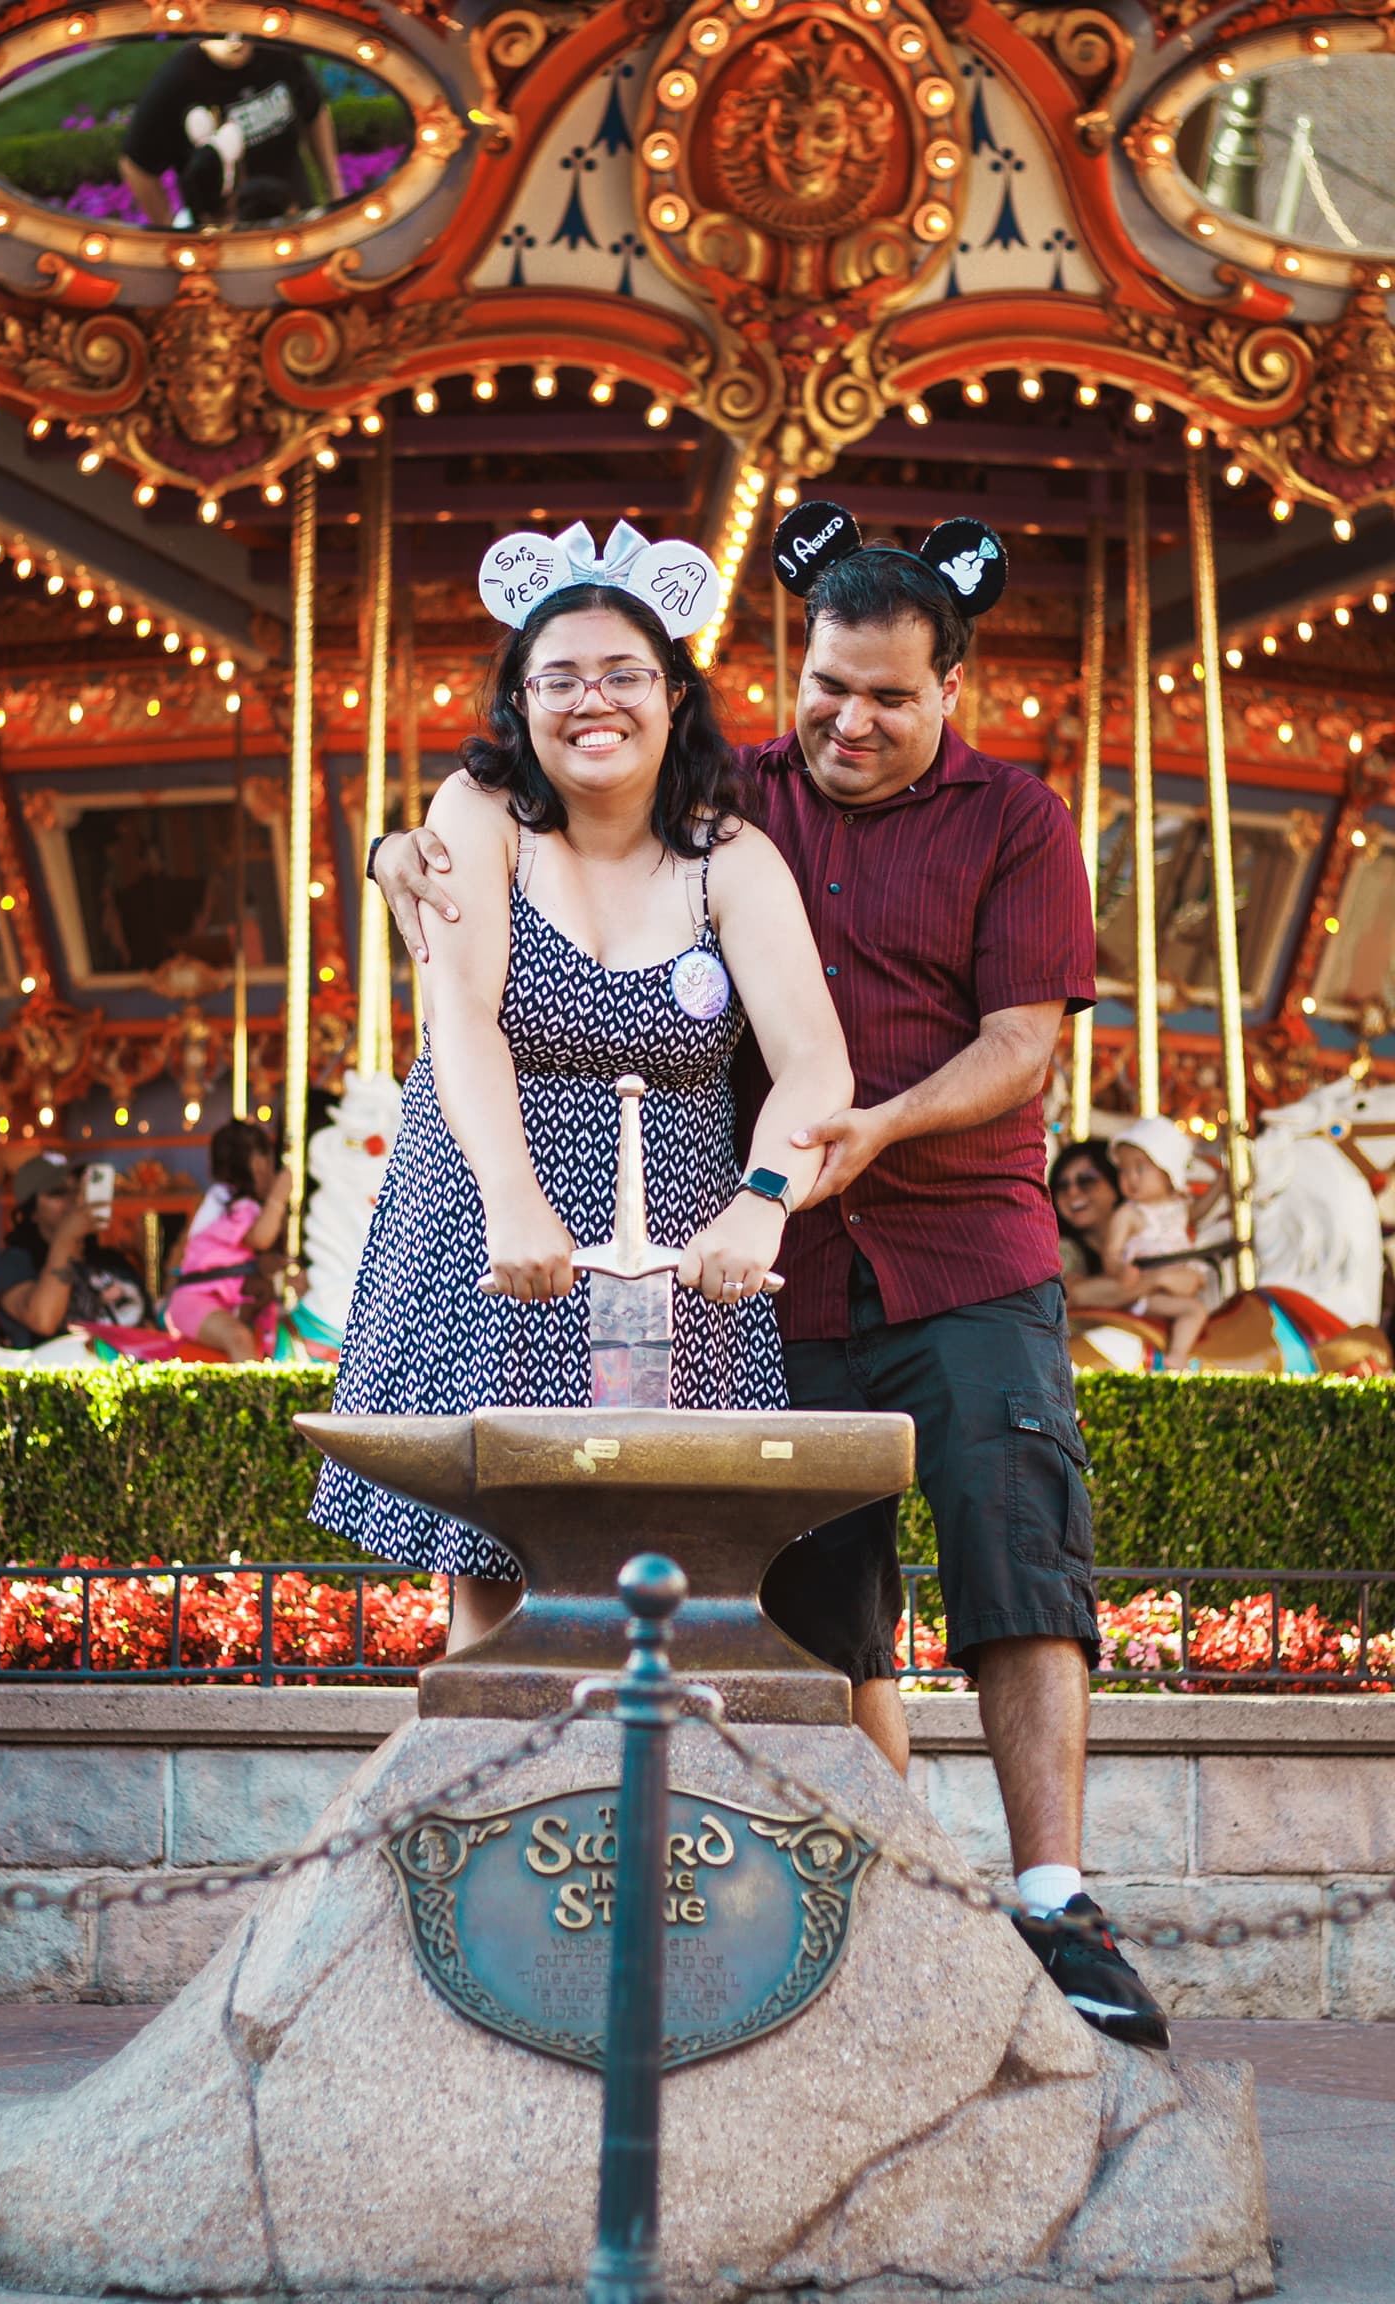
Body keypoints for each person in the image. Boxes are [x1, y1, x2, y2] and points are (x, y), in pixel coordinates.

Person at [373, 502, 1169, 2050]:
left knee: (1017, 1555)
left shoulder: (1013, 820)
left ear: (951, 690)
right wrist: (404, 846)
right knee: (807, 1606)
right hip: (761, 1273)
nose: (850, 719)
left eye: (889, 694)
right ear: (785, 674)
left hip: (946, 1247)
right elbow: (529, 797)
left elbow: (1017, 1044)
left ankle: (1049, 1893)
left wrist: (849, 1141)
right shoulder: (723, 792)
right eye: (828, 687)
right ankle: (866, 1889)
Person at [313, 519, 852, 1656]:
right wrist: (511, 1196)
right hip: (494, 1216)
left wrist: (761, 1200)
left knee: (679, 1579)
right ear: (519, 703)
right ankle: (489, 1810)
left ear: (672, 698)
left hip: (681, 1253)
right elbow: (460, 1014)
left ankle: (658, 1812)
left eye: (621, 676)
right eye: (556, 678)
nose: (590, 702)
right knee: (497, 1572)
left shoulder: (732, 861)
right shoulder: (484, 816)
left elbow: (814, 1059)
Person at [119, 35, 343, 231]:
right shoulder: (175, 83)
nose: (234, 41)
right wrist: (167, 232)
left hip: (294, 214)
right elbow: (136, 166)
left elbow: (314, 110)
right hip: (227, 242)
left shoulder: (279, 53)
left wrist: (335, 190)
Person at [0, 1155, 150, 1348]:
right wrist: (66, 1239)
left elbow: (150, 1326)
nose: (72, 1200)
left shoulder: (112, 1261)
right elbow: (43, 1320)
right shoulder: (14, 1263)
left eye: (77, 1191)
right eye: (58, 1193)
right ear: (32, 1211)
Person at [167, 1120, 291, 1362]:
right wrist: (279, 1194)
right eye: (268, 1161)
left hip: (224, 1301)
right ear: (257, 1163)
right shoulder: (225, 1200)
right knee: (239, 1337)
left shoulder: (234, 1203)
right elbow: (261, 1238)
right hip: (196, 1300)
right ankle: (253, 1400)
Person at [1105, 1118, 1211, 1370]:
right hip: (1148, 1289)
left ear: (1167, 1172)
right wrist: (1120, 1269)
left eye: (1140, 1168)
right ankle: (1177, 1357)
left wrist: (1221, 1186)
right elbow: (1111, 1252)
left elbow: (1199, 1212)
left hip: (1179, 1277)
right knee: (1194, 1310)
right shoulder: (1129, 1214)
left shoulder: (1179, 1206)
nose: (1130, 1178)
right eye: (1123, 1170)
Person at [1049, 1140, 1144, 1311]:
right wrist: (1159, 1280)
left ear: (1116, 1185)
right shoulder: (1061, 1252)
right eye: (1062, 1186)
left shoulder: (1147, 1236)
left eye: (1086, 1181)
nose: (1072, 1192)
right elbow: (1058, 1302)